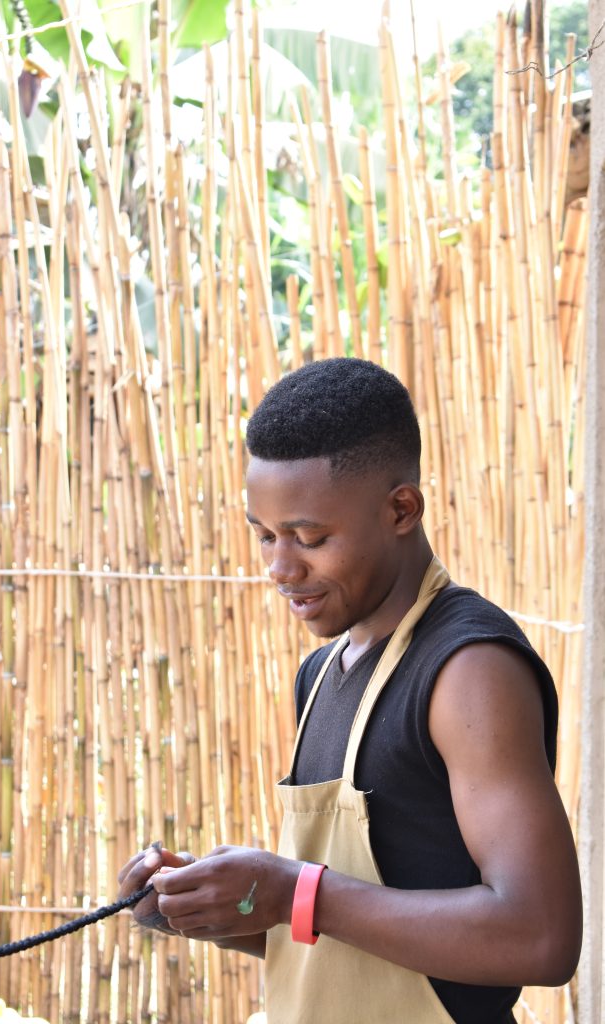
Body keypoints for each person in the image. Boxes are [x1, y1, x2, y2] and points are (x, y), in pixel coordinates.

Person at [118, 358, 582, 1024]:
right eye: (264, 536)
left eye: (309, 537)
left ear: (400, 509)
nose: (281, 567)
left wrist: (292, 891)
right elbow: (338, 936)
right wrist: (210, 909)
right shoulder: (323, 671)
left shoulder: (467, 670)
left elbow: (537, 937)